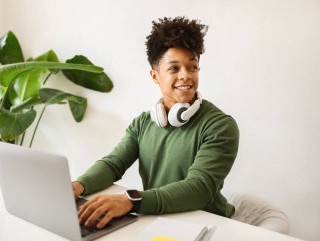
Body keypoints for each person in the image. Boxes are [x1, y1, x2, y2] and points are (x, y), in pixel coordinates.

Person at [72, 16, 239, 230]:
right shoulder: (143, 123)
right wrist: (78, 186)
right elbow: (113, 164)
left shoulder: (220, 126)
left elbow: (199, 188)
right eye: (174, 68)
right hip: (159, 221)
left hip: (206, 226)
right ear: (155, 75)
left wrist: (130, 200)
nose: (186, 76)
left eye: (193, 67)